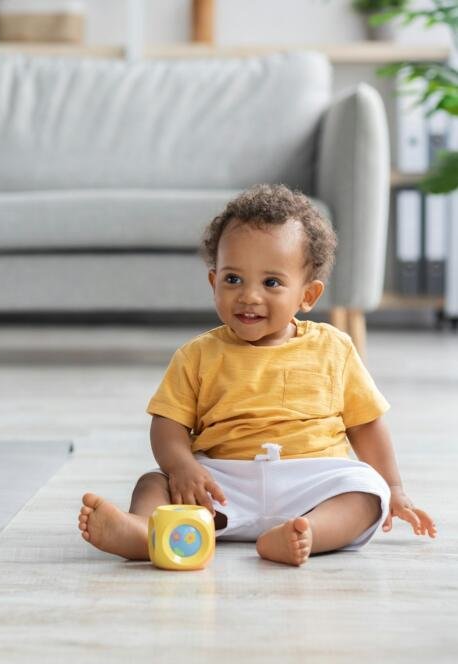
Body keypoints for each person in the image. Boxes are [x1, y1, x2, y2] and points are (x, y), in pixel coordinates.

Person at [78, 184, 436, 566]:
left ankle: (304, 534)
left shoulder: (334, 348)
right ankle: (146, 532)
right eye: (233, 280)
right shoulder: (198, 354)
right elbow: (167, 425)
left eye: (271, 283)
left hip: (311, 480)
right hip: (222, 486)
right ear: (214, 282)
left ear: (308, 295)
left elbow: (366, 425)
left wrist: (394, 488)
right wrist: (182, 467)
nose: (249, 296)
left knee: (367, 493)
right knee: (155, 482)